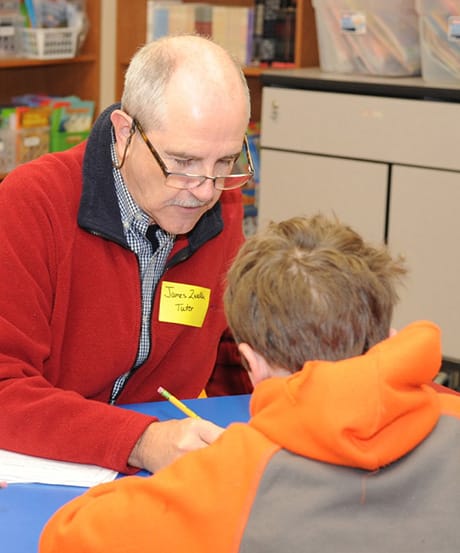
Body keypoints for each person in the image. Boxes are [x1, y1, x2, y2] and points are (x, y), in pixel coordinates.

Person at [39, 213, 460, 553]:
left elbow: (67, 536)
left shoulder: (232, 480)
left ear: (251, 364)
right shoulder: (452, 416)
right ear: (387, 337)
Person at [0, 35, 254, 476]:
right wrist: (140, 441)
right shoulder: (32, 203)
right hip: (46, 469)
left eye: (225, 162)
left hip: (157, 472)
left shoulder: (221, 208)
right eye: (183, 162)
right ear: (124, 134)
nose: (205, 190)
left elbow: (237, 350)